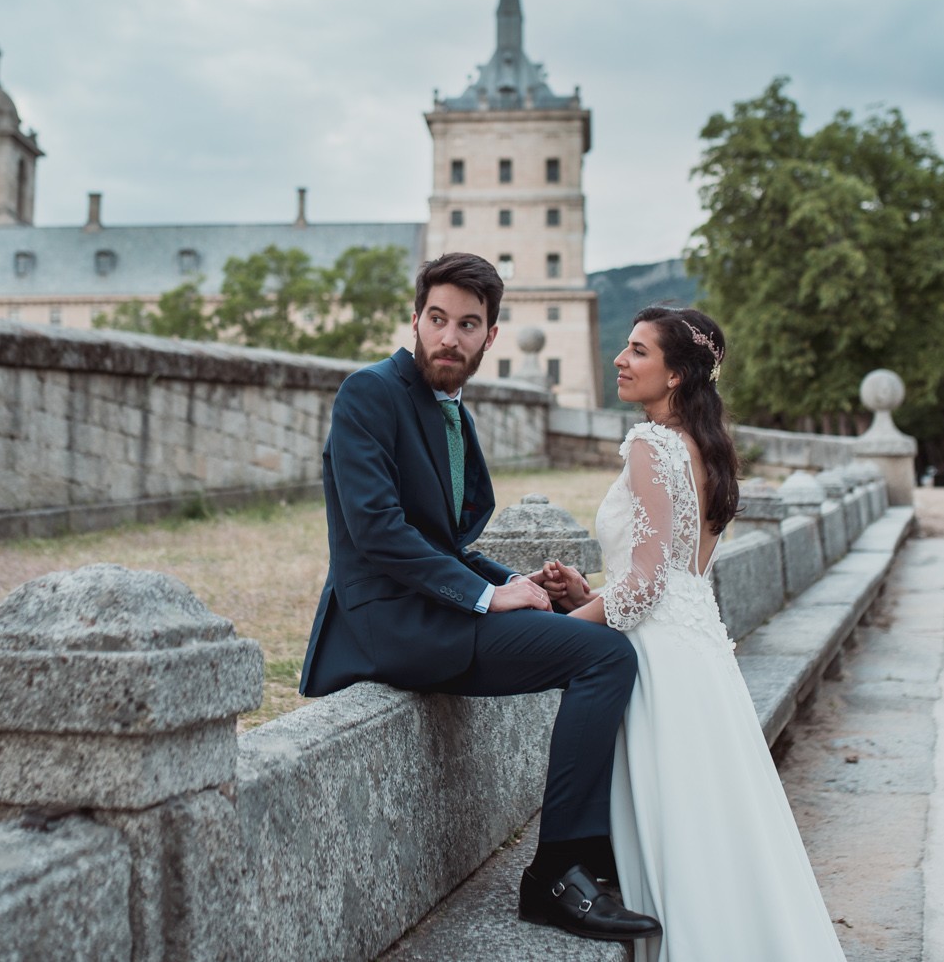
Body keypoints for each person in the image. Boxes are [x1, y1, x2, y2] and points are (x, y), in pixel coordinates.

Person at [299, 253, 662, 945]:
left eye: (468, 324)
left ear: (490, 336)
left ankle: (595, 854)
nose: (449, 337)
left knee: (602, 646)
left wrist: (525, 588)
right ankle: (558, 873)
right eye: (438, 319)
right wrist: (486, 596)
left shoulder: (454, 410)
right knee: (605, 657)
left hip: (435, 609)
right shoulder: (368, 393)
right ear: (416, 319)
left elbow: (448, 541)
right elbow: (378, 532)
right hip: (388, 623)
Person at [540, 306, 848, 961]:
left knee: (685, 827)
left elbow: (648, 586)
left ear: (676, 374)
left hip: (660, 657)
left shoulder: (651, 445)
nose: (620, 360)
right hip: (698, 650)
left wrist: (567, 627)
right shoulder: (708, 447)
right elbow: (673, 575)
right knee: (723, 825)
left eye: (637, 351)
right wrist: (592, 592)